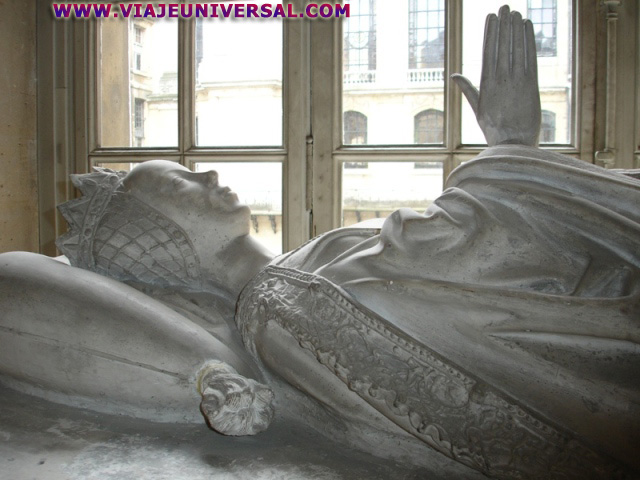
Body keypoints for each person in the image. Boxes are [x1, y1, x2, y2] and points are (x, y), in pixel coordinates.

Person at [0, 6, 638, 479]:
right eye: (181, 183)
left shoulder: (300, 277)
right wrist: (510, 147)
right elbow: (483, 269)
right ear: (159, 240)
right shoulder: (286, 303)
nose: (210, 173)